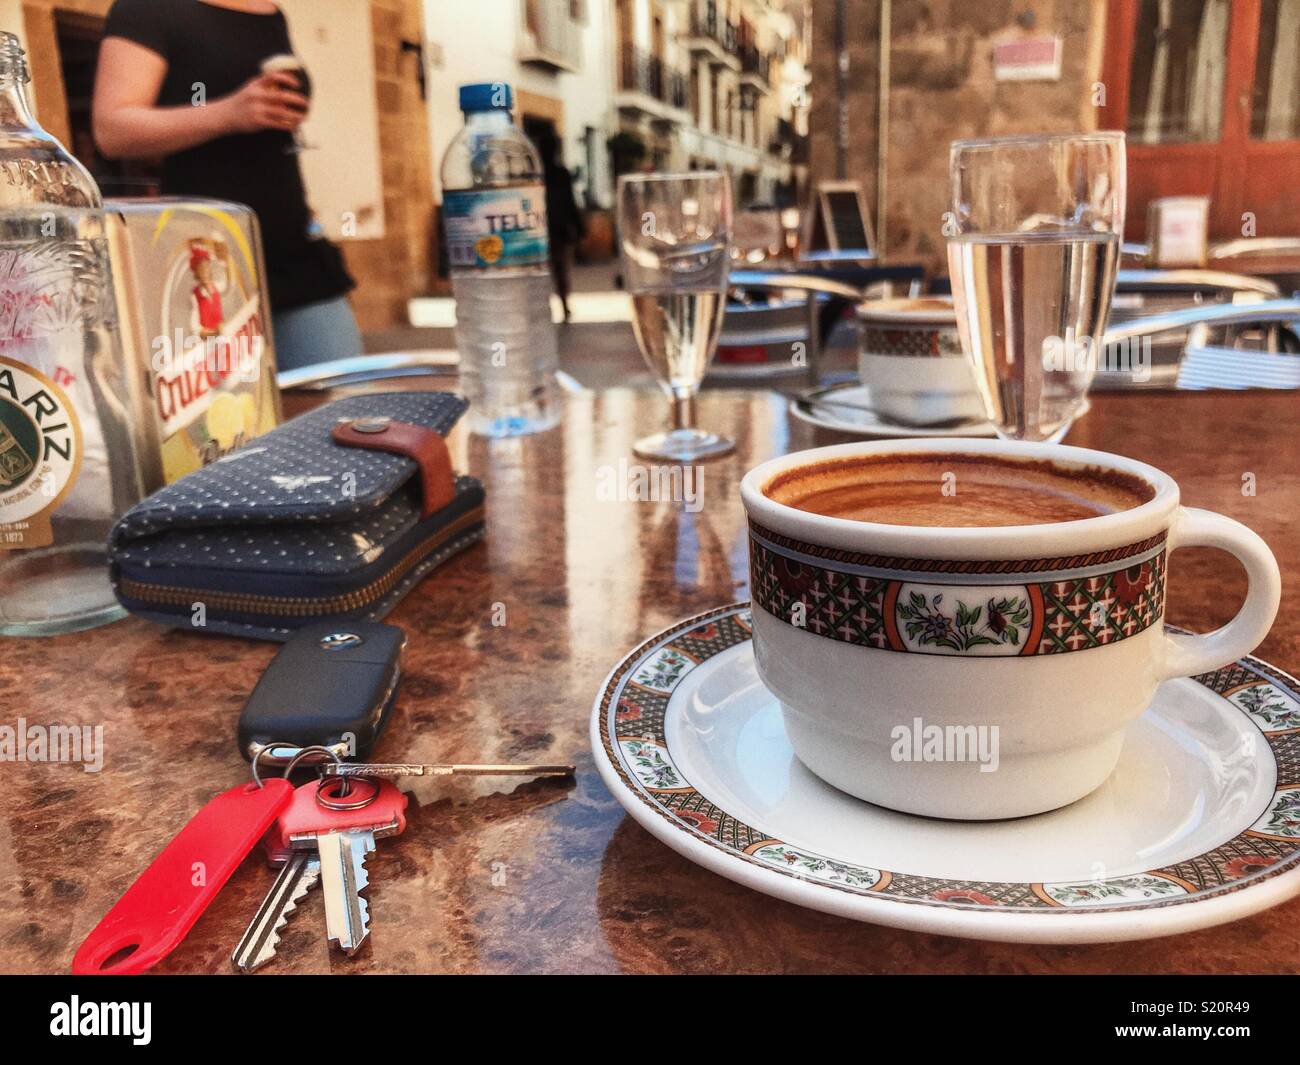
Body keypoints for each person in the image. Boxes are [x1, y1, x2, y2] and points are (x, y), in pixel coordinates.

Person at [93, 0, 361, 371]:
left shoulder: (270, 12)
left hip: (291, 249)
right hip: (204, 263)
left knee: (342, 405)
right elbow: (112, 130)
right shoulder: (147, 8)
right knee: (231, 421)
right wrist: (228, 113)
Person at [534, 128, 584, 323]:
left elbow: (570, 201)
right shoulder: (551, 174)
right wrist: (577, 227)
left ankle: (560, 306)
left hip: (551, 231)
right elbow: (570, 202)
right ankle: (560, 306)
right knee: (557, 271)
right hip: (551, 230)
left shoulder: (545, 174)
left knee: (554, 270)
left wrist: (577, 226)